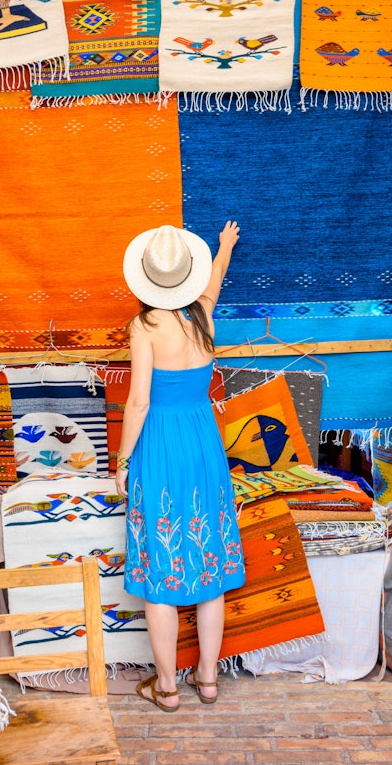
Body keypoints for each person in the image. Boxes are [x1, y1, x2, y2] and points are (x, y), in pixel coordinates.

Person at [116, 220, 246, 712]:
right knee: (209, 557)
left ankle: (167, 687)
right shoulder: (203, 318)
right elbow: (212, 286)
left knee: (162, 565)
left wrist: (122, 461)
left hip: (161, 444)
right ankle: (208, 680)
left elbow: (139, 403)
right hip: (203, 442)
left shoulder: (144, 326)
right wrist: (224, 248)